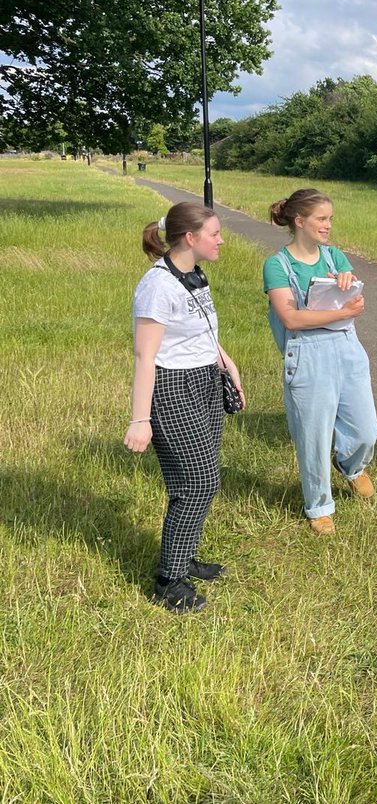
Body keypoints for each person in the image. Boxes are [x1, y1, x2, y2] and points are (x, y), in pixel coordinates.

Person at [125, 202, 245, 613]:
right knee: (198, 482)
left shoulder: (195, 274)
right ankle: (167, 581)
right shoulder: (157, 286)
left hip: (205, 381)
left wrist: (225, 362)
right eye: (214, 233)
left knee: (203, 475)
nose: (221, 239)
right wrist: (141, 419)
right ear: (190, 238)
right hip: (173, 388)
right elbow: (145, 357)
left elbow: (202, 330)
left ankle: (184, 554)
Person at [264, 188, 377, 536]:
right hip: (307, 355)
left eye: (330, 218)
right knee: (313, 437)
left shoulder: (335, 258)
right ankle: (319, 505)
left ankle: (351, 464)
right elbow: (290, 318)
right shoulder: (277, 264)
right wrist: (340, 311)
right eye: (321, 219)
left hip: (347, 348)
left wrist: (347, 290)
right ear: (299, 221)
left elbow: (357, 303)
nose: (328, 225)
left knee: (366, 429)